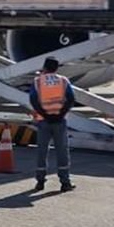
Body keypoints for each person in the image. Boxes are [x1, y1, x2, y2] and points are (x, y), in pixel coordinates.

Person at [28, 56, 76, 192]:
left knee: (42, 151)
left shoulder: (37, 82)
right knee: (62, 151)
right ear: (56, 68)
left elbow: (33, 100)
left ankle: (40, 182)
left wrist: (45, 115)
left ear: (44, 67)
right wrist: (60, 115)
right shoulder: (63, 80)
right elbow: (71, 99)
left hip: (44, 121)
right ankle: (65, 182)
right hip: (59, 121)